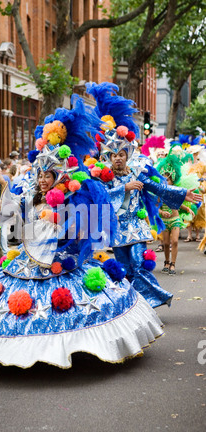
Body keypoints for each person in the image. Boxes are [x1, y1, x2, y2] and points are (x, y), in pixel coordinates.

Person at [0, 96, 164, 378]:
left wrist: (67, 233)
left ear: (58, 176)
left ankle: (73, 350)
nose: (43, 179)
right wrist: (2, 186)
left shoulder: (70, 198)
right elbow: (10, 219)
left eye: (49, 175)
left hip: (59, 261)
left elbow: (83, 229)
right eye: (40, 174)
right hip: (28, 262)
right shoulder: (29, 197)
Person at [86, 81, 202, 308]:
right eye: (114, 156)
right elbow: (101, 199)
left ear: (126, 156)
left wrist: (182, 194)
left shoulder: (138, 173)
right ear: (109, 159)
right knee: (124, 271)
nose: (118, 158)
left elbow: (159, 188)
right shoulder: (104, 178)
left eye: (121, 154)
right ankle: (132, 307)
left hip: (136, 228)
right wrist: (123, 188)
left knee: (139, 264)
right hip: (117, 230)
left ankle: (153, 300)